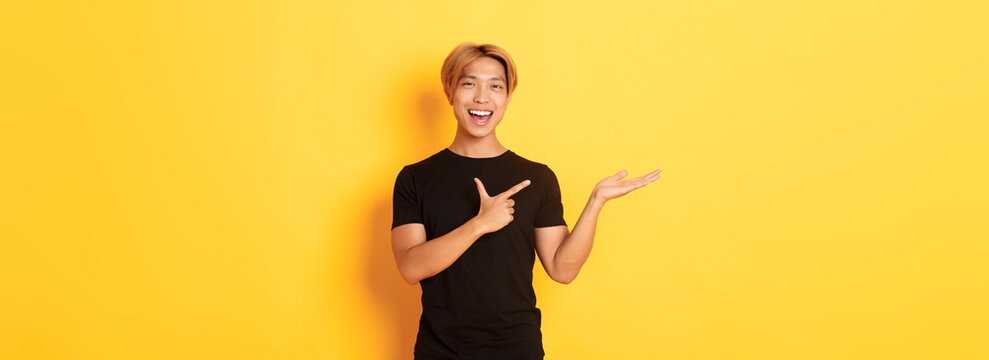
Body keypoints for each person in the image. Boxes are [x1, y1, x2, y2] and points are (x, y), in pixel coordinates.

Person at [390, 42, 661, 359]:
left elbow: (562, 269)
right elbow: (410, 268)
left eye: (495, 86)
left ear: (506, 98)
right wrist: (479, 224)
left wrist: (596, 202)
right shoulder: (415, 178)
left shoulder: (537, 178)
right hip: (440, 351)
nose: (482, 97)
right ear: (450, 93)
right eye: (469, 83)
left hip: (517, 349)